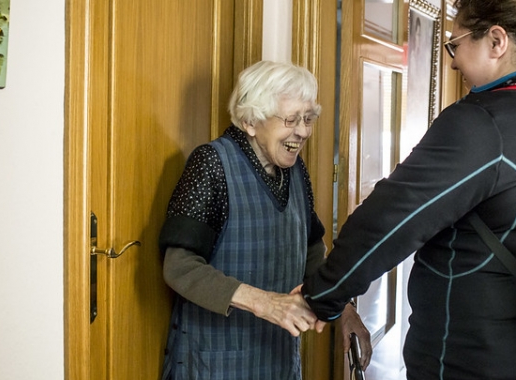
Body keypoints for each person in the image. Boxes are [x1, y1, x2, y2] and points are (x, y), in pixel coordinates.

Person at [302, 1, 516, 379]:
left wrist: (323, 296)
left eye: (455, 45)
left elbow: (388, 221)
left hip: (475, 360)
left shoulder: (487, 122)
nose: (452, 62)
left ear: (497, 40)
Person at [159, 60, 371, 380]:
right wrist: (265, 303)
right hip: (213, 363)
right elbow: (179, 266)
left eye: (308, 118)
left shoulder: (296, 171)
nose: (302, 131)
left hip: (278, 360)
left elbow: (311, 250)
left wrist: (342, 308)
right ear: (251, 121)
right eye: (290, 119)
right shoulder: (212, 164)